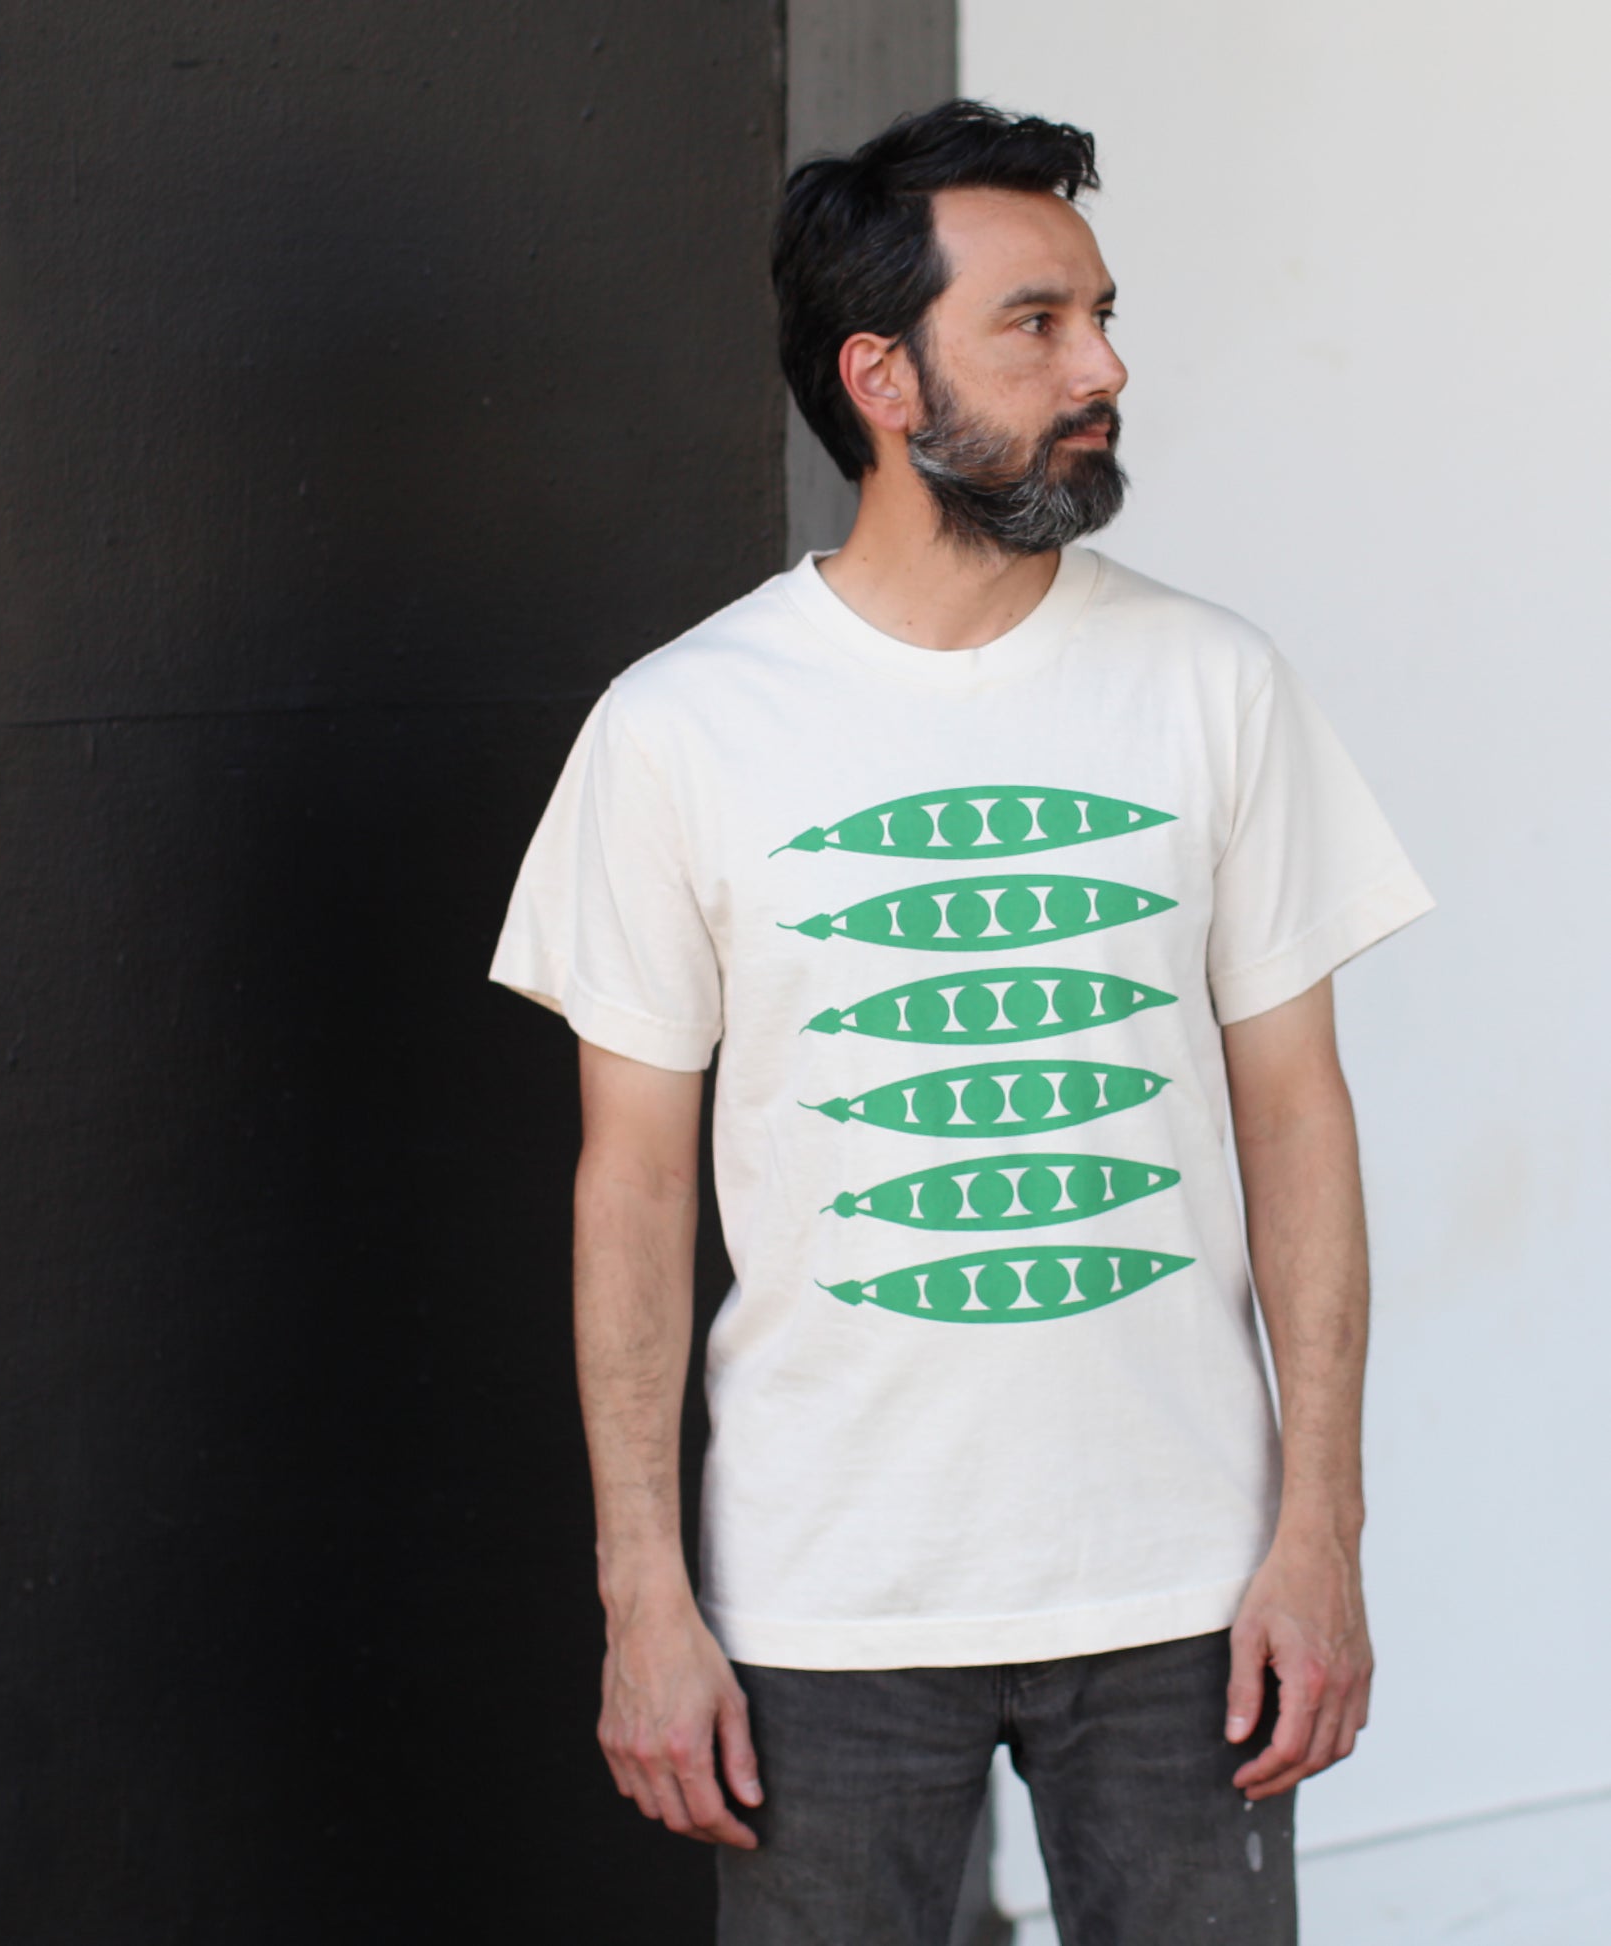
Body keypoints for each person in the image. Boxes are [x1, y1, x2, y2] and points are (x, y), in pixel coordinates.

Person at [485, 97, 1435, 1945]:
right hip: (820, 1598)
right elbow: (632, 1188)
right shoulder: (681, 727)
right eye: (1036, 324)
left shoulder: (1214, 685)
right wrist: (641, 1594)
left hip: (1189, 1593)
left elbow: (1297, 1122)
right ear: (881, 378)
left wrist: (1319, 1531)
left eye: (1101, 316)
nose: (1104, 367)